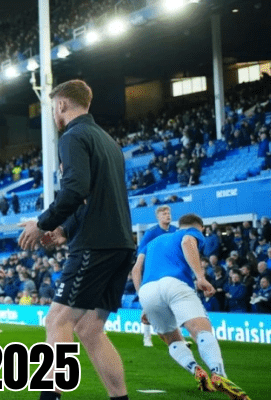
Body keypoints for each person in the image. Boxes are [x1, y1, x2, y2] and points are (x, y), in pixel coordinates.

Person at [18, 79, 135, 400]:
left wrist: (43, 224)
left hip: (95, 245)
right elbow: (94, 196)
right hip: (120, 244)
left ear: (61, 105)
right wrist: (65, 230)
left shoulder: (73, 136)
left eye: (52, 108)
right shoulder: (108, 141)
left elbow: (75, 189)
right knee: (90, 329)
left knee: (57, 320)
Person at [134, 213, 250, 399]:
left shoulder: (153, 242)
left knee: (171, 339)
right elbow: (188, 242)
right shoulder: (191, 232)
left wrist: (144, 302)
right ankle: (218, 373)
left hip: (147, 290)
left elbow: (136, 270)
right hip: (175, 283)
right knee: (200, 331)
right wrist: (201, 277)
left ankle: (196, 369)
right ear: (201, 228)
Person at [132, 205, 177, 347]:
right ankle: (147, 337)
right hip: (153, 272)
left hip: (170, 272)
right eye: (164, 214)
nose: (167, 215)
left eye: (168, 213)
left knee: (172, 305)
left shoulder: (175, 231)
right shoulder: (151, 233)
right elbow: (141, 253)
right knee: (149, 305)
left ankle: (176, 338)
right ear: (158, 217)